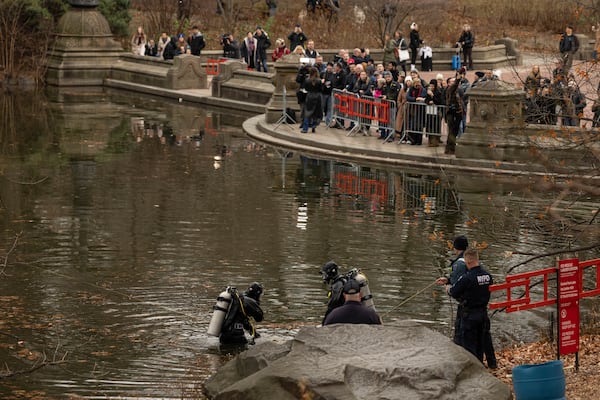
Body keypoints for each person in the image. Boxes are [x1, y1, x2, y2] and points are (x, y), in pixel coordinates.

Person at [446, 248, 493, 363]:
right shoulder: (488, 276)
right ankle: (484, 364)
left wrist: (448, 287)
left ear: (468, 262)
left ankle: (472, 369)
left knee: (468, 346)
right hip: (482, 314)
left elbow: (454, 292)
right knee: (480, 343)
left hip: (469, 315)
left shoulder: (466, 278)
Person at [300, 67, 323, 133]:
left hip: (309, 96)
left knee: (307, 112)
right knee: (316, 112)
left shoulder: (307, 80)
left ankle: (305, 128)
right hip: (317, 97)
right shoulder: (319, 81)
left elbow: (306, 88)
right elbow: (321, 89)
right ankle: (314, 125)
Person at [444, 77, 463, 155]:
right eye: (452, 81)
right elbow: (454, 86)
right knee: (451, 130)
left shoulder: (458, 90)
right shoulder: (449, 90)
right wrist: (458, 78)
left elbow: (462, 99)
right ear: (448, 83)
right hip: (451, 112)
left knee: (455, 130)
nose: (453, 83)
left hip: (458, 112)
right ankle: (450, 148)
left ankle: (451, 147)